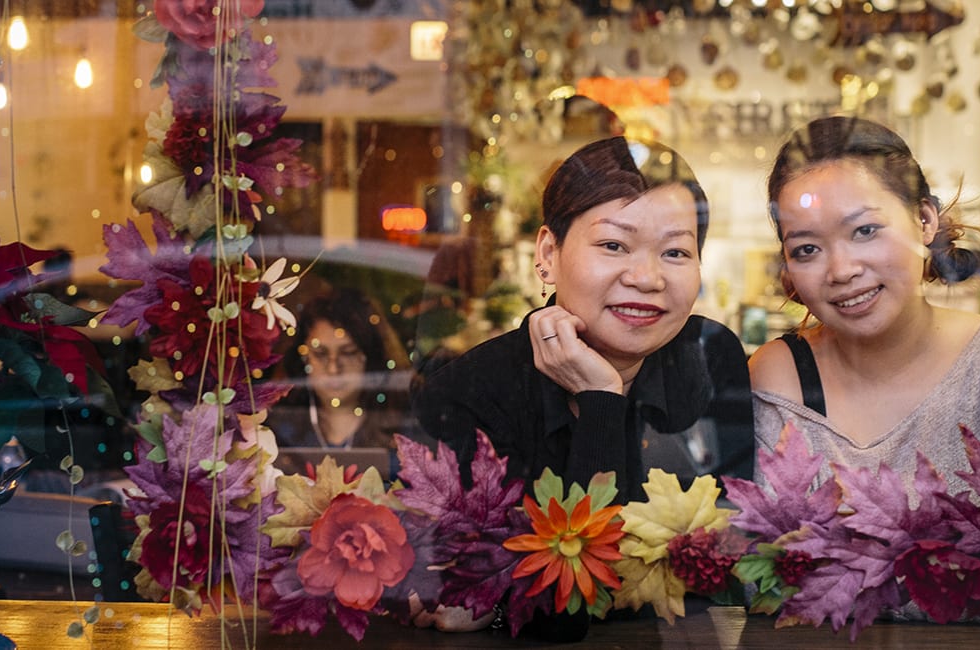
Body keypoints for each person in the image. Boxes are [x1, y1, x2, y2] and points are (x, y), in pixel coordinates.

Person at [749, 116, 980, 500]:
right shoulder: (776, 378)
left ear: (924, 220)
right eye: (807, 249)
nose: (841, 271)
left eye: (865, 231)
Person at [414, 136, 756, 506]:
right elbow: (566, 558)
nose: (646, 278)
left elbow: (733, 530)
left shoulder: (707, 355)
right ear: (548, 253)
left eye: (675, 252)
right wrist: (601, 401)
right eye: (613, 245)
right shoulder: (470, 393)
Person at [267, 288, 415, 454]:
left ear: (369, 355)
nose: (333, 368)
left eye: (348, 352)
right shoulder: (278, 428)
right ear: (303, 356)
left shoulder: (403, 430)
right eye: (320, 353)